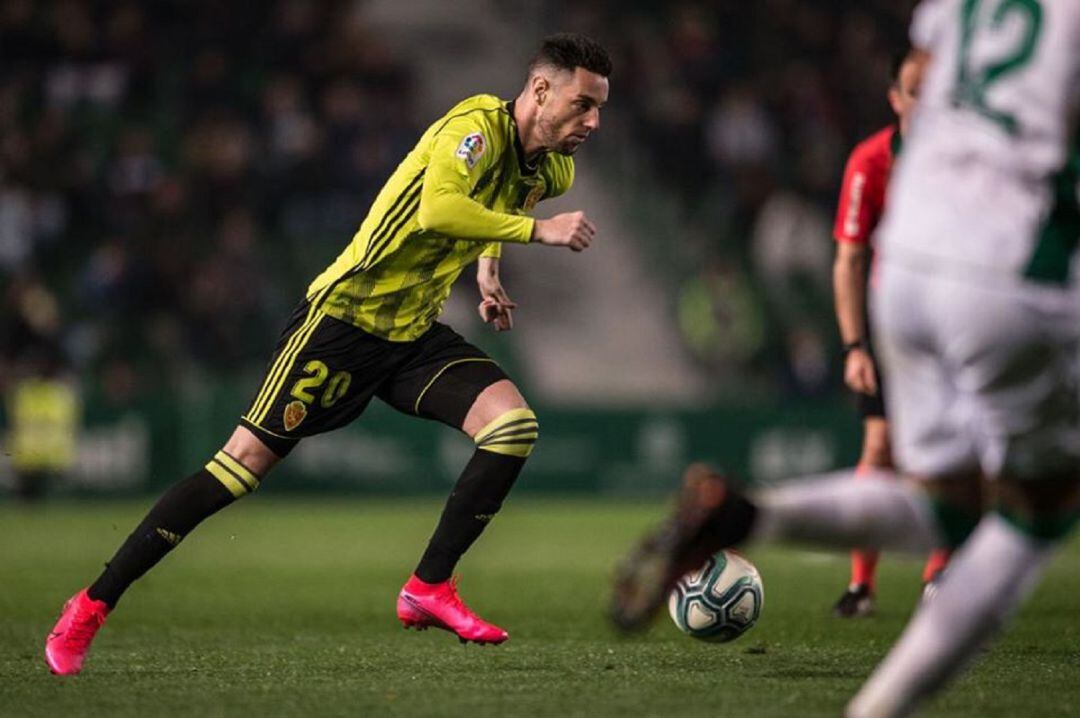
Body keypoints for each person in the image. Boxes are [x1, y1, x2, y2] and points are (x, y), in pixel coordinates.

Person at [46, 32, 612, 675]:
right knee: (239, 468)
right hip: (343, 322)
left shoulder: (553, 165)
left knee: (512, 427)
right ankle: (91, 604)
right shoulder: (474, 127)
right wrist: (538, 233)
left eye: (598, 108)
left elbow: (513, 194)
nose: (593, 121)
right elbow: (439, 206)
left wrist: (488, 267)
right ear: (541, 90)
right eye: (582, 104)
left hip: (413, 334)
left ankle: (429, 586)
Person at [612, 1, 1080, 716]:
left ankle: (750, 514)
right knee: (1034, 514)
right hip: (1010, 267)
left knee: (946, 506)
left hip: (911, 260)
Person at [830, 47, 950, 618]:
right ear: (895, 98)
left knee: (954, 451)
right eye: (915, 92)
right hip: (895, 322)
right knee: (878, 447)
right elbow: (849, 259)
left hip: (959, 320)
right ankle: (861, 585)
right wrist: (854, 345)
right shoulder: (872, 161)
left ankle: (941, 575)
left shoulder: (967, 161)